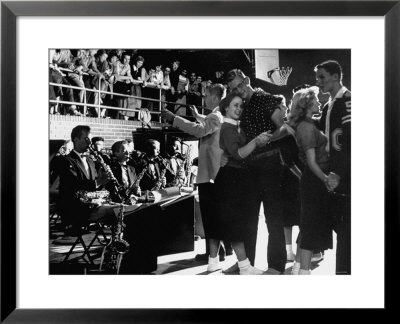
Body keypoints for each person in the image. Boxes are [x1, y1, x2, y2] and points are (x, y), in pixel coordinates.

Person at [226, 68, 288, 274]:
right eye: (234, 88)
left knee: (273, 218)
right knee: (248, 218)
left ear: (247, 80)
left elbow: (284, 128)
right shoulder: (240, 105)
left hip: (270, 165)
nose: (239, 90)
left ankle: (276, 266)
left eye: (240, 85)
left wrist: (269, 138)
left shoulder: (268, 99)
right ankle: (246, 263)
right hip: (249, 169)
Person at [162, 84, 232, 265]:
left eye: (206, 95)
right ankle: (221, 249)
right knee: (215, 215)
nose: (204, 98)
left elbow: (201, 130)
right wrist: (198, 116)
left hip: (211, 174)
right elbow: (208, 123)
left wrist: (174, 119)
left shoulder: (216, 115)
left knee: (210, 216)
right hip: (215, 174)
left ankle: (214, 253)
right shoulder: (218, 114)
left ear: (215, 97)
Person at [213, 93, 271, 274]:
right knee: (236, 223)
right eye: (235, 106)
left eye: (240, 106)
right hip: (231, 179)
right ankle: (245, 266)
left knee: (241, 223)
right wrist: (256, 141)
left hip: (239, 178)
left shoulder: (237, 127)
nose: (239, 109)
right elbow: (239, 154)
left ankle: (244, 265)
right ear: (226, 109)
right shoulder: (227, 129)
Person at [288, 87, 333, 275]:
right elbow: (312, 161)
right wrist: (326, 179)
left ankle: (300, 269)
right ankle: (303, 272)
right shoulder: (306, 128)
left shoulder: (309, 123)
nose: (318, 101)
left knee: (309, 225)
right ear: (307, 104)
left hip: (315, 179)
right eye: (315, 100)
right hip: (315, 179)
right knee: (309, 227)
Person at [315, 60, 351, 275]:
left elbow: (352, 141)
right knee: (341, 229)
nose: (318, 82)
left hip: (347, 175)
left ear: (336, 76)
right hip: (334, 174)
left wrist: (339, 171)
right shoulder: (329, 105)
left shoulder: (349, 100)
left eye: (322, 77)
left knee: (349, 231)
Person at [56, 125, 117, 233]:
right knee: (119, 210)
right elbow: (75, 184)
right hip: (75, 209)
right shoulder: (64, 160)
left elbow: (96, 187)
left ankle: (116, 242)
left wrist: (104, 180)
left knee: (126, 208)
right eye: (86, 139)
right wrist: (99, 182)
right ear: (76, 139)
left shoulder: (90, 160)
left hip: (92, 205)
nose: (90, 143)